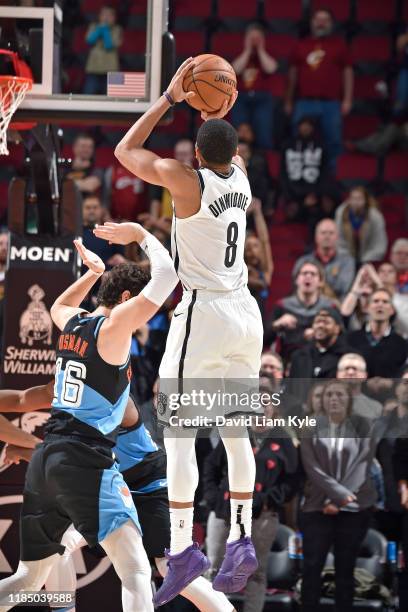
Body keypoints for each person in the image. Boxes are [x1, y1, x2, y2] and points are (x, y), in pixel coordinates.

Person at [93, 58, 263, 606]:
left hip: (206, 315)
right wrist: (218, 104)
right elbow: (221, 137)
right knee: (238, 431)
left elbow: (123, 152)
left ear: (196, 153)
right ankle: (240, 538)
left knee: (181, 431)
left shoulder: (185, 181)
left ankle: (184, 548)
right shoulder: (241, 175)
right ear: (231, 149)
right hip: (246, 313)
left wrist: (168, 98)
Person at [0, 228, 179, 612]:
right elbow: (169, 277)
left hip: (47, 458)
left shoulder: (73, 325)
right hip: (86, 458)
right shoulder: (113, 330)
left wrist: (92, 273)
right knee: (134, 572)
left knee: (27, 578)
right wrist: (142, 235)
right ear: (128, 300)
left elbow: (57, 307)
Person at [7, 395, 235, 612]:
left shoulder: (118, 397)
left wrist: (26, 446)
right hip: (113, 487)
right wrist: (25, 448)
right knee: (61, 545)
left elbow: (74, 452)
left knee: (169, 567)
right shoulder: (73, 402)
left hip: (150, 486)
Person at [203, 383, 299, 612]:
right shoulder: (234, 432)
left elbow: (293, 479)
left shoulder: (283, 439)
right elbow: (210, 467)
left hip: (262, 516)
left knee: (256, 572)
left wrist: (269, 499)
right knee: (214, 568)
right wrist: (214, 498)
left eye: (266, 403)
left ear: (274, 408)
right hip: (225, 512)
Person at [300, 380, 377, 612]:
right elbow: (311, 467)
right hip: (317, 509)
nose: (334, 398)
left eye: (340, 394)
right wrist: (337, 497)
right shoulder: (310, 426)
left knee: (345, 570)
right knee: (312, 568)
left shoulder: (363, 425)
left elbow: (362, 464)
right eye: (329, 394)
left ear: (349, 399)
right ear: (322, 400)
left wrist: (338, 500)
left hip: (352, 510)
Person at [284, 8, 353, 170]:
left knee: (333, 142)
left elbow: (348, 73)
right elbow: (292, 75)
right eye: (318, 19)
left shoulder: (339, 45)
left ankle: (330, 181)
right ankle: (298, 179)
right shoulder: (300, 45)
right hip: (304, 102)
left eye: (325, 20)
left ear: (331, 24)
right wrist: (288, 100)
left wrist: (348, 99)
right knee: (298, 140)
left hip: (331, 103)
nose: (321, 23)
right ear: (312, 23)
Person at [265, 261, 337, 361]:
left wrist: (321, 333)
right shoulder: (282, 306)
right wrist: (278, 324)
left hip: (320, 359)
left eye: (313, 274)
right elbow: (264, 339)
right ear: (296, 280)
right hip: (287, 359)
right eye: (304, 273)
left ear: (321, 282)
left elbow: (339, 338)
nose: (308, 276)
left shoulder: (330, 307)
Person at [280, 118, 339, 227]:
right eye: (303, 125)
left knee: (321, 210)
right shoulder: (287, 145)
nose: (306, 128)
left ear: (313, 128)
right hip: (293, 194)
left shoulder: (321, 146)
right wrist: (293, 197)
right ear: (298, 127)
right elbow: (283, 173)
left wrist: (315, 194)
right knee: (293, 213)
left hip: (315, 193)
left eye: (309, 125)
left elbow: (325, 173)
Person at [231, 23, 277, 149]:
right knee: (239, 132)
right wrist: (247, 50)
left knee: (263, 132)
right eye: (252, 38)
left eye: (258, 38)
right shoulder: (240, 52)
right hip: (241, 98)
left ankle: (262, 162)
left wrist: (260, 49)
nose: (254, 41)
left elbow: (270, 68)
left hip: (262, 98)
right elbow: (236, 69)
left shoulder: (267, 53)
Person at [288, 307, 350, 398]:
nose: (320, 325)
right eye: (317, 322)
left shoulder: (346, 357)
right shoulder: (299, 356)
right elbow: (292, 390)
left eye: (326, 322)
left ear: (337, 328)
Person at [348, 288, 408, 379]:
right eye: (376, 301)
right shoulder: (350, 339)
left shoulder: (402, 344)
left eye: (385, 302)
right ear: (367, 308)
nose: (380, 305)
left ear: (392, 310)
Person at [294, 219, 355, 300]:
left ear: (337, 237)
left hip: (337, 306)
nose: (327, 236)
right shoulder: (303, 262)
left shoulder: (347, 262)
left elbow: (342, 288)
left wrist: (313, 283)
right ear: (316, 237)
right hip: (307, 306)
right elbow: (297, 286)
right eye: (323, 233)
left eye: (331, 233)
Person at [335, 186, 388, 265]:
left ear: (366, 200)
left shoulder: (375, 216)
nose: (356, 202)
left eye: (359, 199)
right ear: (349, 200)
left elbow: (380, 244)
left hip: (370, 259)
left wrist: (365, 260)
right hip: (345, 259)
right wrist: (348, 259)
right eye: (353, 198)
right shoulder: (341, 213)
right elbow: (338, 240)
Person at [84, 5, 122, 95]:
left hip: (111, 70)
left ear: (114, 18)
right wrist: (99, 29)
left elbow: (109, 45)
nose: (106, 18)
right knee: (89, 93)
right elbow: (89, 40)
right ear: (99, 16)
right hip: (93, 69)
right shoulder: (93, 26)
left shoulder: (117, 29)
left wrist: (104, 29)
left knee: (112, 96)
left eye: (109, 15)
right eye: (104, 15)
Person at [245, 199, 273, 318]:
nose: (251, 249)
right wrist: (242, 214)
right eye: (248, 246)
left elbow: (264, 240)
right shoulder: (238, 270)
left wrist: (257, 213)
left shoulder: (265, 271)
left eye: (255, 246)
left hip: (259, 324)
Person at [336, 353, 382, 421]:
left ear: (365, 375)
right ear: (338, 374)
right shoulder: (325, 403)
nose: (350, 372)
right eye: (346, 368)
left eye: (355, 369)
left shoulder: (376, 407)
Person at [238, 136, 275, 220]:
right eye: (238, 152)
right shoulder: (225, 172)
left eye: (244, 152)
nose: (241, 155)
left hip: (253, 207)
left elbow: (263, 192)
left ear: (249, 154)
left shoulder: (258, 171)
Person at [340, 263, 380, 331]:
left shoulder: (380, 303)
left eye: (370, 281)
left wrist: (373, 274)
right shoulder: (352, 301)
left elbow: (385, 295)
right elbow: (344, 312)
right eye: (363, 281)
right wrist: (359, 278)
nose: (366, 284)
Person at [64, 133, 104, 198]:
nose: (86, 150)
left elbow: (89, 186)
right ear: (74, 148)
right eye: (83, 146)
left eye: (90, 147)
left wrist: (65, 182)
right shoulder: (64, 167)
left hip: (87, 207)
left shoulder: (97, 169)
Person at [377, 261, 408, 338]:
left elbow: (405, 326)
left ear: (396, 277)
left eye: (390, 271)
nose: (385, 274)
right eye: (382, 271)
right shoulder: (370, 300)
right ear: (377, 274)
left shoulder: (405, 301)